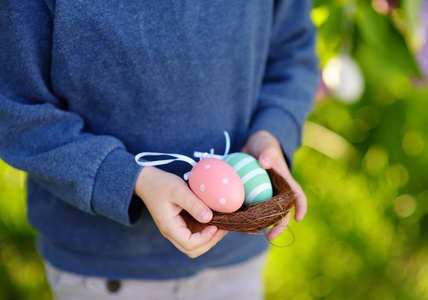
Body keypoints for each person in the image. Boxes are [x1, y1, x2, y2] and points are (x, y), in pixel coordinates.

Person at [0, 1, 319, 299]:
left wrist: (272, 131)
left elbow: (292, 51)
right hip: (105, 268)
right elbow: (18, 112)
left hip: (234, 260)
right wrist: (126, 178)